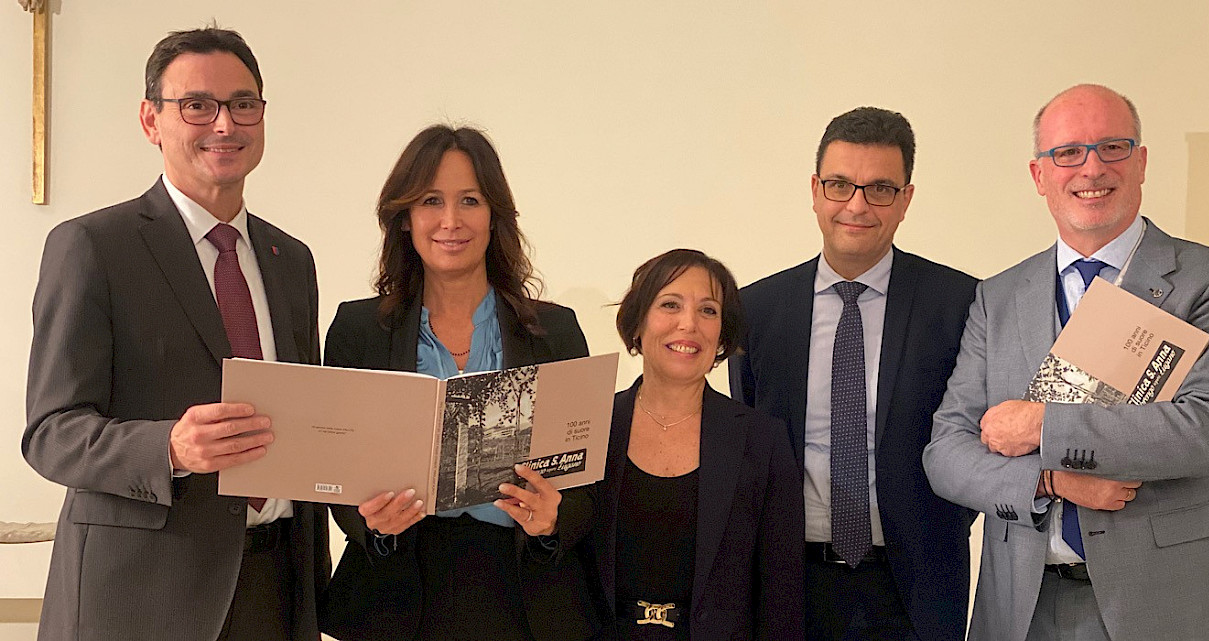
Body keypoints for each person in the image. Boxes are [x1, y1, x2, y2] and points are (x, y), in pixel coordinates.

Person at [922, 84, 1209, 641]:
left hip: (1175, 602)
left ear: (1141, 162)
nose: (1091, 168)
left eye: (1112, 147)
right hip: (1025, 607)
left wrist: (1043, 425)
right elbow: (946, 453)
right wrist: (1051, 480)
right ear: (1039, 175)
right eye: (1068, 152)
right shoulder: (997, 297)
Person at [22, 27, 329, 641]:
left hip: (275, 588)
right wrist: (169, 448)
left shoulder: (290, 259)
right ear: (151, 120)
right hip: (140, 600)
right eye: (197, 105)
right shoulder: (93, 247)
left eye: (243, 104)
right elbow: (51, 433)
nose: (225, 124)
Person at [319, 125, 598, 641]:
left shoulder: (555, 330)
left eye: (470, 200)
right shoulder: (359, 330)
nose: (451, 221)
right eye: (431, 201)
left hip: (524, 595)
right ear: (405, 217)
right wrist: (371, 524)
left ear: (494, 215)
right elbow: (334, 468)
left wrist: (553, 520)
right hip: (395, 597)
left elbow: (582, 477)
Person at [730, 107, 978, 641]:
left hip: (916, 587)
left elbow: (972, 440)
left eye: (880, 189)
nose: (857, 205)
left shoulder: (960, 304)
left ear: (906, 199)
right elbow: (751, 434)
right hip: (789, 583)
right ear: (815, 191)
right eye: (840, 185)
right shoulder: (757, 310)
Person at [586, 249, 802, 640]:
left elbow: (781, 596)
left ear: (722, 335)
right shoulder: (592, 426)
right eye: (670, 305)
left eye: (708, 310)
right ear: (637, 323)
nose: (689, 324)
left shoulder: (762, 440)